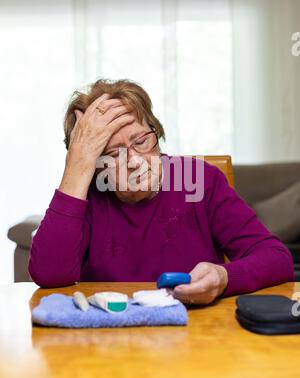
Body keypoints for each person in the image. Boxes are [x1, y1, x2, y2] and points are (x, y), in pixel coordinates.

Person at [28, 78, 294, 305]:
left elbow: (277, 259)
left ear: (156, 132)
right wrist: (77, 168)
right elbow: (49, 275)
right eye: (112, 154)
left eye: (141, 141)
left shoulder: (201, 180)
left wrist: (224, 277)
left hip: (195, 336)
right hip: (109, 341)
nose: (134, 160)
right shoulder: (85, 197)